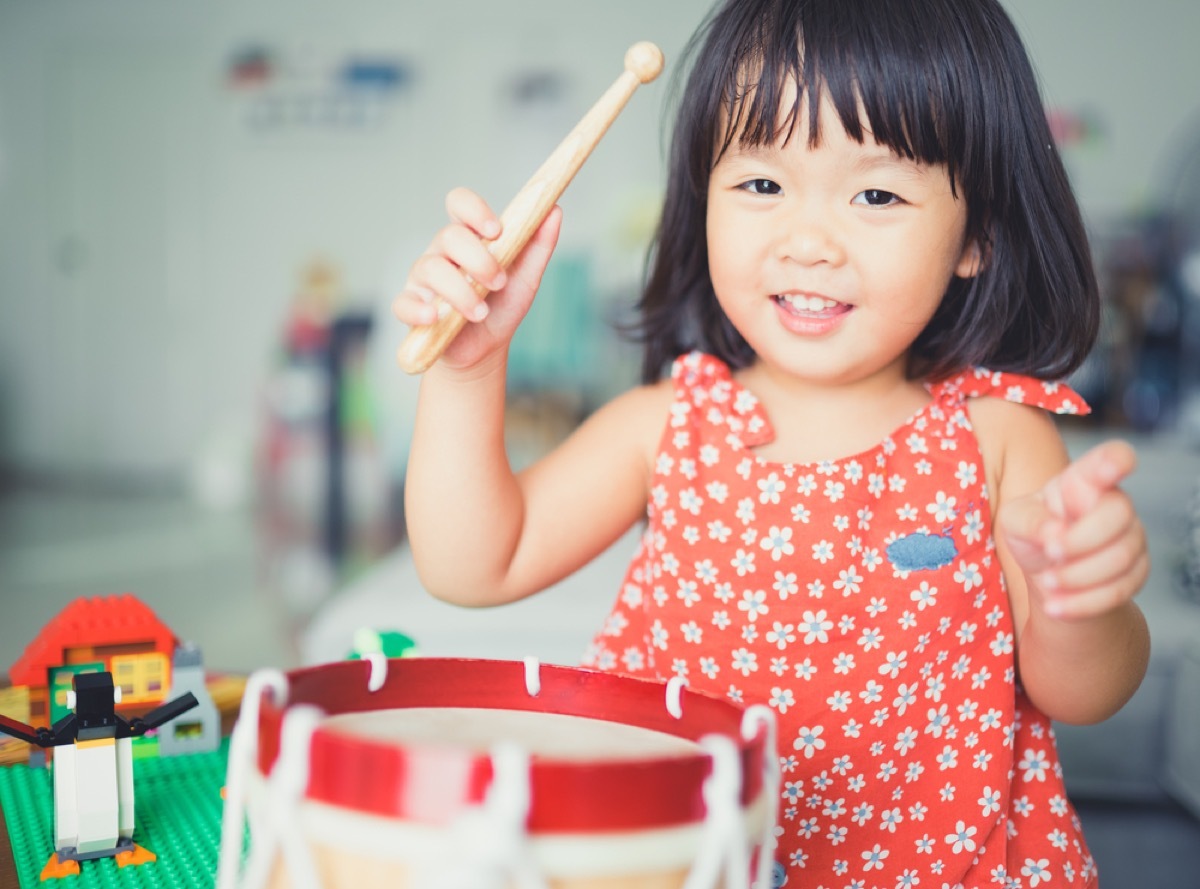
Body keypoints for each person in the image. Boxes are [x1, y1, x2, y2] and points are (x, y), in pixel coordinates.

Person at [394, 0, 1151, 884]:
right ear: (702, 196)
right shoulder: (670, 425)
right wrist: (467, 370)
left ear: (975, 236)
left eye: (876, 193)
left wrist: (1080, 598)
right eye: (761, 184)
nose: (808, 241)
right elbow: (472, 564)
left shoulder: (997, 436)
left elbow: (1085, 693)